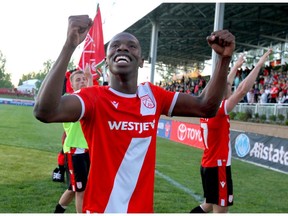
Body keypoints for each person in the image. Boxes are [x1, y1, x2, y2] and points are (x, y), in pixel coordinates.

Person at [33, 15, 235, 213]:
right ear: (107, 60)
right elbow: (44, 111)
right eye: (115, 45)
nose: (122, 48)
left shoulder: (153, 96)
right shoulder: (93, 98)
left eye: (132, 46)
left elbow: (206, 106)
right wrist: (70, 45)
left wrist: (224, 59)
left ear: (141, 61)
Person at [190, 48, 272, 214]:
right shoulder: (220, 110)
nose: (230, 88)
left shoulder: (207, 109)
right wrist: (260, 64)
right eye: (227, 87)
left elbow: (224, 83)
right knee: (221, 211)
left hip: (207, 164)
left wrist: (235, 66)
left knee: (207, 205)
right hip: (218, 166)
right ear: (221, 94)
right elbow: (242, 89)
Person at [54, 65, 92, 213]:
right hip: (75, 150)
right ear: (72, 83)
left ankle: (57, 212)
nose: (82, 81)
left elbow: (91, 97)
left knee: (75, 188)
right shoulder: (70, 100)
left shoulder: (85, 99)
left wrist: (89, 78)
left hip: (87, 149)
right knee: (80, 191)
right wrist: (89, 81)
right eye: (78, 79)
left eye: (84, 79)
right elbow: (87, 98)